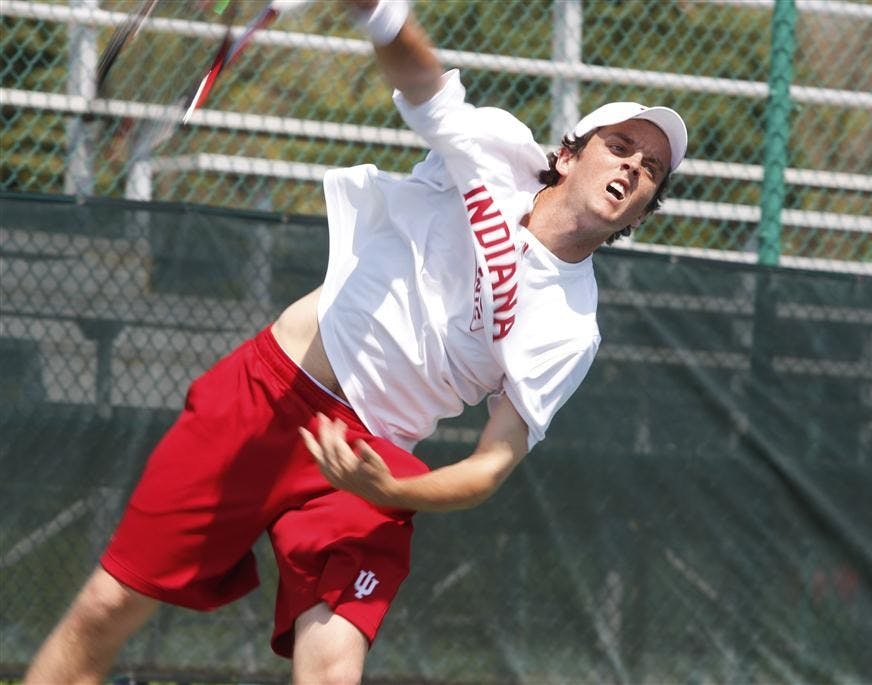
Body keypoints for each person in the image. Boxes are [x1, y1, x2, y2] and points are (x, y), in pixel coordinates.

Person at [25, 1, 687, 683]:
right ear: (571, 154)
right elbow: (424, 81)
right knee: (103, 609)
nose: (635, 166)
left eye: (653, 170)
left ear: (644, 207)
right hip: (269, 392)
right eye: (621, 146)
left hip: (364, 456)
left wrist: (394, 484)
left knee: (332, 670)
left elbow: (493, 464)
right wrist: (377, 12)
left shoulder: (571, 327)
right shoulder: (496, 149)